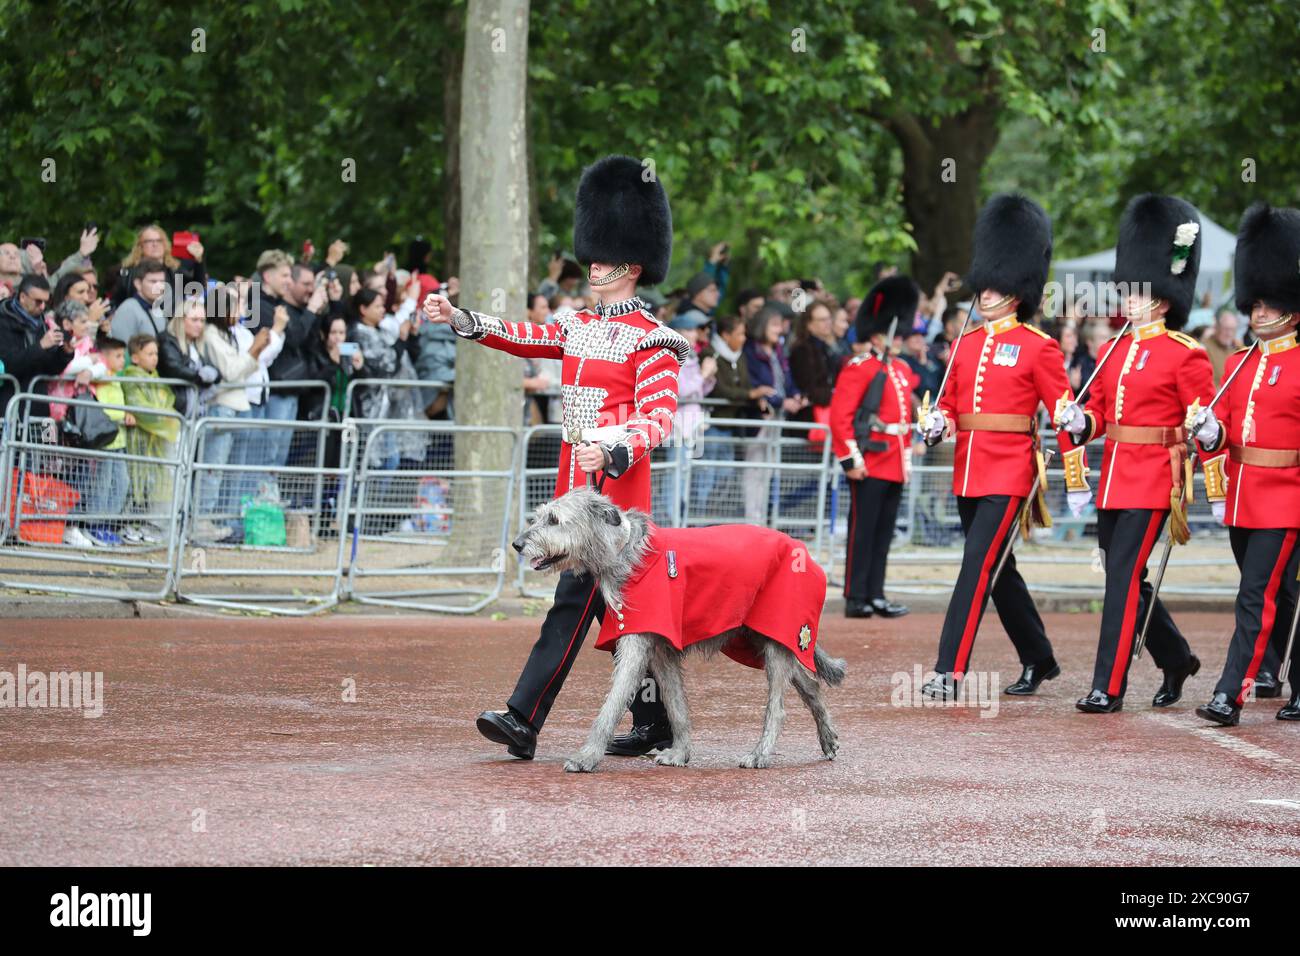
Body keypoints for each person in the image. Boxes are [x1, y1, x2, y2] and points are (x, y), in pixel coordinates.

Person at [423, 155, 687, 760]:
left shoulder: (653, 339)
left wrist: (616, 444)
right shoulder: (578, 325)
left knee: (575, 606)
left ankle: (523, 718)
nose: (593, 265)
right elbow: (521, 336)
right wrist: (461, 319)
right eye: (591, 256)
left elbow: (659, 416)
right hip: (571, 495)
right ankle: (657, 722)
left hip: (614, 507)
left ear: (633, 265)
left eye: (605, 257)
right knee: (621, 615)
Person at [918, 194, 1087, 700]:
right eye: (983, 284)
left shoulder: (1040, 346)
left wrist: (1075, 475)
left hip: (1011, 472)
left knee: (975, 565)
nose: (984, 293)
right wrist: (936, 422)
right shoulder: (965, 344)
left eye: (995, 285)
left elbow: (1063, 410)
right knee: (999, 568)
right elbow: (949, 403)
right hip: (968, 468)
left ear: (1016, 291)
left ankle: (949, 670)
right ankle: (1039, 658)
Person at [1057, 194, 1213, 713]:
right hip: (1115, 478)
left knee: (1122, 579)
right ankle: (1175, 657)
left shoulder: (1185, 354)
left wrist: (1202, 428)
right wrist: (1081, 422)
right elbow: (1101, 414)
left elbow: (1201, 418)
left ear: (1164, 299)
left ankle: (1109, 685)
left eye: (1137, 292)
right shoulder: (1113, 351)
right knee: (1124, 576)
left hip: (1154, 479)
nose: (1127, 298)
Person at [1191, 203, 1300, 725]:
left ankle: (1229, 693)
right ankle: (1284, 676)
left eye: (1268, 304)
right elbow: (1225, 433)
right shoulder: (1237, 365)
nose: (1257, 313)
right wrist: (1211, 435)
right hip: (1242, 496)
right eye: (1253, 303)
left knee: (1254, 594)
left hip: (1286, 498)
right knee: (1280, 592)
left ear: (1292, 309)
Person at [830, 276, 920, 620]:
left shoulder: (901, 369)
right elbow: (841, 419)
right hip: (870, 461)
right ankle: (856, 596)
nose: (896, 340)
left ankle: (876, 593)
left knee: (883, 534)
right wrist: (851, 459)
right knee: (862, 532)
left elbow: (901, 419)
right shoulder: (860, 367)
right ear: (876, 335)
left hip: (895, 461)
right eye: (891, 335)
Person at [743, 303, 807, 523]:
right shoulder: (750, 350)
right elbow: (755, 385)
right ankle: (752, 519)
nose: (780, 329)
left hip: (777, 418)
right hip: (760, 419)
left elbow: (785, 380)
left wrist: (796, 394)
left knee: (768, 472)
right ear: (763, 324)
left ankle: (763, 518)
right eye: (775, 324)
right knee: (755, 471)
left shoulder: (778, 351)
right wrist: (782, 401)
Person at [120, 334, 180, 544]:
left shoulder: (156, 379)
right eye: (150, 353)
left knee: (158, 484)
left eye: (156, 353)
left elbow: (167, 401)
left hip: (159, 444)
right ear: (135, 358)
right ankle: (130, 524)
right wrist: (163, 418)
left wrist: (165, 417)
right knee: (136, 482)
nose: (155, 358)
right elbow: (140, 408)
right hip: (139, 441)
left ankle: (155, 526)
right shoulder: (131, 378)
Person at [661, 308, 716, 526]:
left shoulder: (691, 357)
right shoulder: (672, 356)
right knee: (674, 476)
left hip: (691, 428)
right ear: (680, 332)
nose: (697, 335)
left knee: (684, 476)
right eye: (693, 330)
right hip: (677, 428)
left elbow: (699, 391)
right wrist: (703, 374)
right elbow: (681, 390)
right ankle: (672, 521)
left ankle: (680, 522)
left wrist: (709, 377)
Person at [0, 274, 64, 413]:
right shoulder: (3, 321)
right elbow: (8, 364)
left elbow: (50, 369)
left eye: (46, 302)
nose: (42, 307)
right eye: (38, 301)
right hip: (9, 410)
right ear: (23, 297)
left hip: (38, 407)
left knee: (48, 435)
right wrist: (40, 346)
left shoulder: (41, 322)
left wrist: (66, 352)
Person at [109, 224, 206, 316]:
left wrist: (198, 261)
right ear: (140, 246)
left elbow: (197, 288)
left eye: (159, 240)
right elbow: (116, 303)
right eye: (149, 241)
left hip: (170, 327)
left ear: (165, 245)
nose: (155, 244)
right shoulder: (129, 273)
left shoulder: (173, 270)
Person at [1201, 306, 1243, 385]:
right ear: (1217, 327)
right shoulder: (1204, 348)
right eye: (1226, 329)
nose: (1229, 334)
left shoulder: (1239, 349)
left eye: (1232, 329)